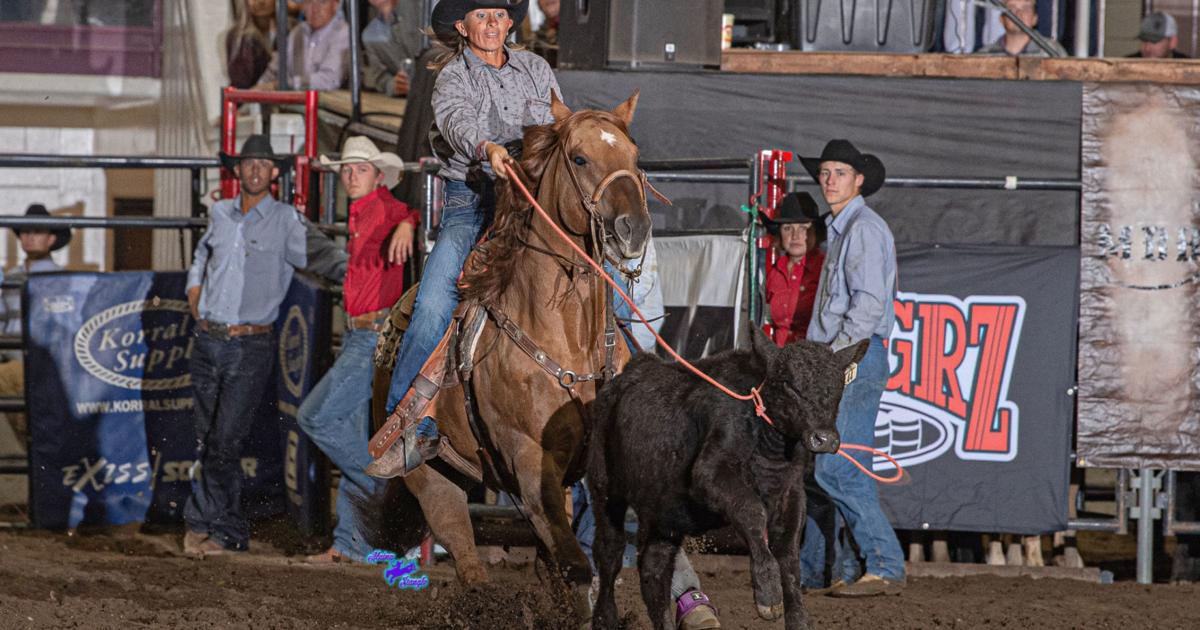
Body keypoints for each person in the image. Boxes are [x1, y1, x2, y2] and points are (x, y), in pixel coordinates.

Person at [183, 134, 308, 556]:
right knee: (211, 439)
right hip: (210, 336)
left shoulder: (287, 220)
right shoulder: (220, 213)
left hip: (250, 342)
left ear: (274, 173)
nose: (255, 170)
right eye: (249, 163)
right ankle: (213, 525)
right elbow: (202, 255)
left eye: (263, 164)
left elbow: (315, 257)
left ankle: (218, 527)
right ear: (238, 170)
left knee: (224, 440)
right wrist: (194, 289)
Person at [297, 136, 418, 563]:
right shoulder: (362, 213)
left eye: (360, 169)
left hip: (371, 336)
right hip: (362, 334)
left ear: (378, 176)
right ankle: (350, 543)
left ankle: (381, 488)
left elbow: (409, 211)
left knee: (314, 417)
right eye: (347, 170)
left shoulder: (384, 207)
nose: (351, 176)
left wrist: (408, 222)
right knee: (347, 432)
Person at [799, 139, 905, 597]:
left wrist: (837, 358)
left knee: (838, 469)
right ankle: (845, 567)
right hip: (850, 355)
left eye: (839, 172)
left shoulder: (861, 229)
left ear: (858, 180)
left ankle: (884, 563)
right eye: (825, 173)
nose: (829, 181)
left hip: (852, 356)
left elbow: (867, 304)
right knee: (834, 466)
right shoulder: (848, 228)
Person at [0, 204, 71, 446]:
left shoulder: (62, 279)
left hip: (45, 363)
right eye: (25, 232)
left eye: (37, 232)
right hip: (12, 361)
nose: (29, 237)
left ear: (51, 239)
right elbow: (3, 320)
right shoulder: (10, 277)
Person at [762, 192, 826, 347]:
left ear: (815, 232)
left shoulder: (827, 269)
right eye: (787, 228)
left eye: (803, 228)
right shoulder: (774, 273)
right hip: (780, 355)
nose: (795, 236)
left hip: (814, 355)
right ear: (779, 234)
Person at [257, 0, 350, 90]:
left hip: (329, 100)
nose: (315, 9)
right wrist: (258, 88)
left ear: (335, 5)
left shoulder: (343, 33)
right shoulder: (296, 33)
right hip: (296, 99)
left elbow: (329, 80)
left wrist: (282, 84)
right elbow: (275, 69)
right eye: (309, 2)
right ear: (302, 5)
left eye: (322, 2)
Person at [363, 0, 425, 97]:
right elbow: (381, 78)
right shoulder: (369, 35)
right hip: (410, 100)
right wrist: (395, 85)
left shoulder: (420, 6)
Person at [225, 0, 285, 88]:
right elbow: (240, 82)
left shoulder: (292, 31)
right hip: (250, 95)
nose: (260, 1)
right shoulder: (238, 37)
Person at [975, 0, 1066, 57]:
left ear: (1035, 19)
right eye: (1012, 8)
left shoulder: (1053, 51)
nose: (1018, 14)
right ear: (1002, 19)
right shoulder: (984, 55)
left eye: (1026, 8)